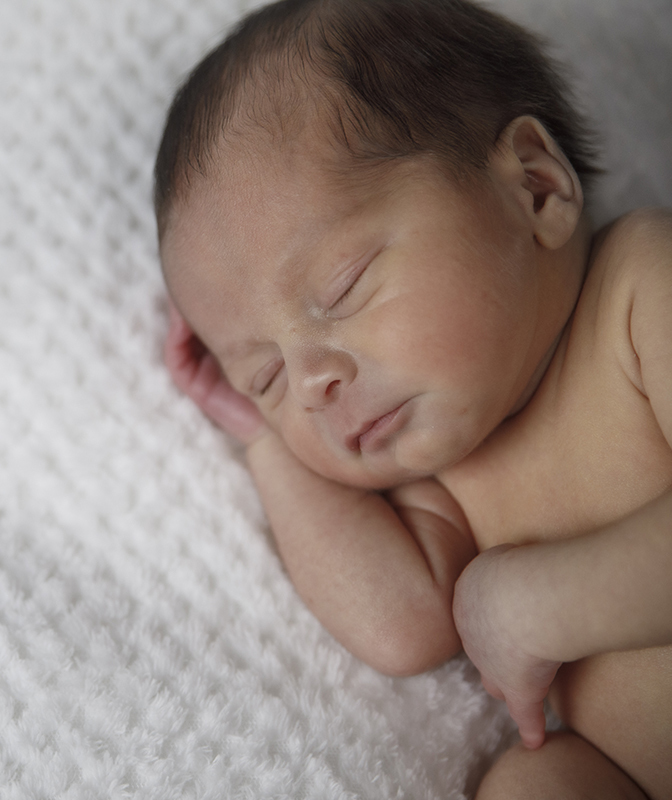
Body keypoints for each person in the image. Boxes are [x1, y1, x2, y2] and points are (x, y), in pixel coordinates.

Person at [153, 0, 672, 797]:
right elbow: (398, 628)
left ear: (534, 189)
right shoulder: (444, 486)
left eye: (342, 286)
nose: (311, 380)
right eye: (268, 376)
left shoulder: (642, 289)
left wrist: (539, 605)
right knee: (535, 782)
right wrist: (262, 440)